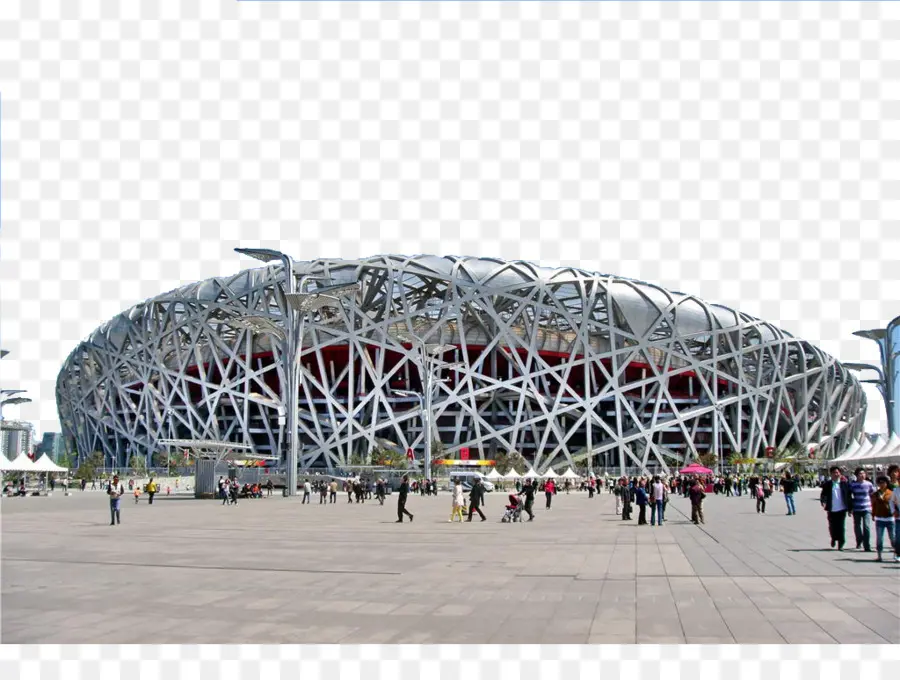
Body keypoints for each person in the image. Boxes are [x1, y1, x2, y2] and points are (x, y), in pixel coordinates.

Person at [819, 466, 852, 550]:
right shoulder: (828, 484)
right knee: (832, 526)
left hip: (842, 508)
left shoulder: (844, 484)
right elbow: (823, 494)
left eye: (838, 472)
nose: (836, 474)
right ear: (831, 474)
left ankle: (841, 542)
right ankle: (834, 538)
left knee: (841, 526)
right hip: (832, 508)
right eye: (834, 472)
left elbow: (848, 496)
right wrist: (823, 501)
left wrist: (850, 508)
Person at [871, 476, 897, 562]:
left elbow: (895, 505)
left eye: (883, 483)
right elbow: (873, 505)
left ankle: (897, 554)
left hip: (890, 519)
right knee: (879, 538)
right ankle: (879, 556)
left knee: (893, 538)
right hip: (879, 518)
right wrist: (873, 514)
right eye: (880, 483)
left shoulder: (891, 493)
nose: (882, 484)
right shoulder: (875, 494)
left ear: (887, 483)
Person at [849, 468, 874, 552]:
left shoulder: (869, 484)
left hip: (867, 508)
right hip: (856, 508)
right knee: (857, 526)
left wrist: (873, 507)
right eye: (860, 474)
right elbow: (849, 496)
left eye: (863, 473)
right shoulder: (853, 485)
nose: (862, 475)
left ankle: (867, 545)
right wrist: (850, 508)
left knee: (866, 526)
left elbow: (872, 495)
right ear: (856, 475)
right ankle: (859, 541)